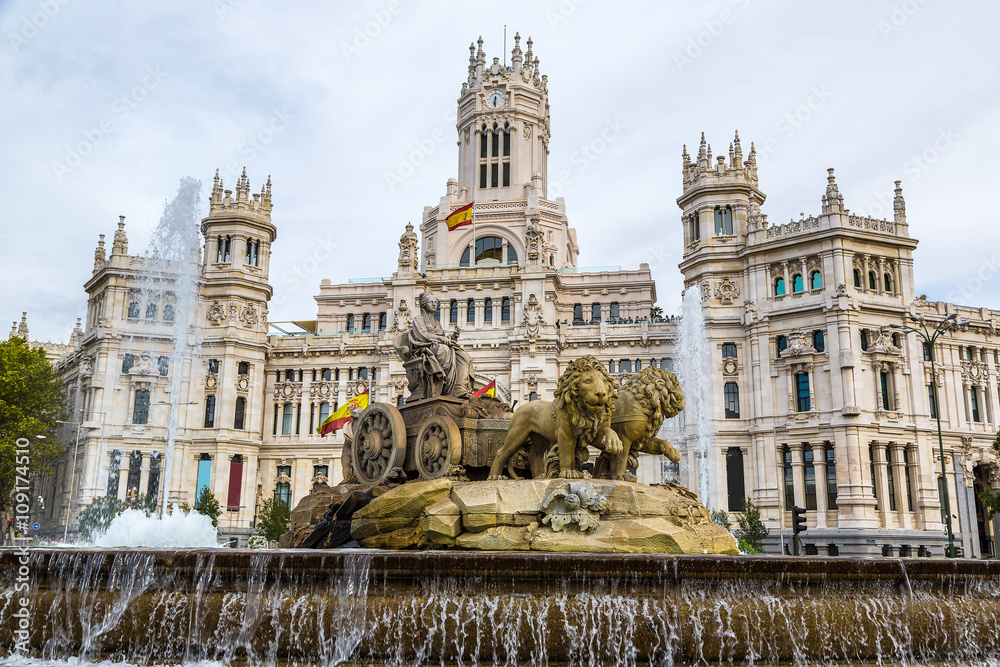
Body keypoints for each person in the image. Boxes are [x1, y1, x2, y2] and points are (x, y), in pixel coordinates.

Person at [395, 292, 475, 398]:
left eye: (435, 302)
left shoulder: (437, 323)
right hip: (425, 347)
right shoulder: (418, 320)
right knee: (444, 350)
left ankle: (458, 387)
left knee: (464, 356)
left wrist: (454, 336)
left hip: (438, 347)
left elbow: (444, 338)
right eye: (431, 302)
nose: (434, 304)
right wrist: (442, 339)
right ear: (424, 304)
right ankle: (445, 386)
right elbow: (423, 336)